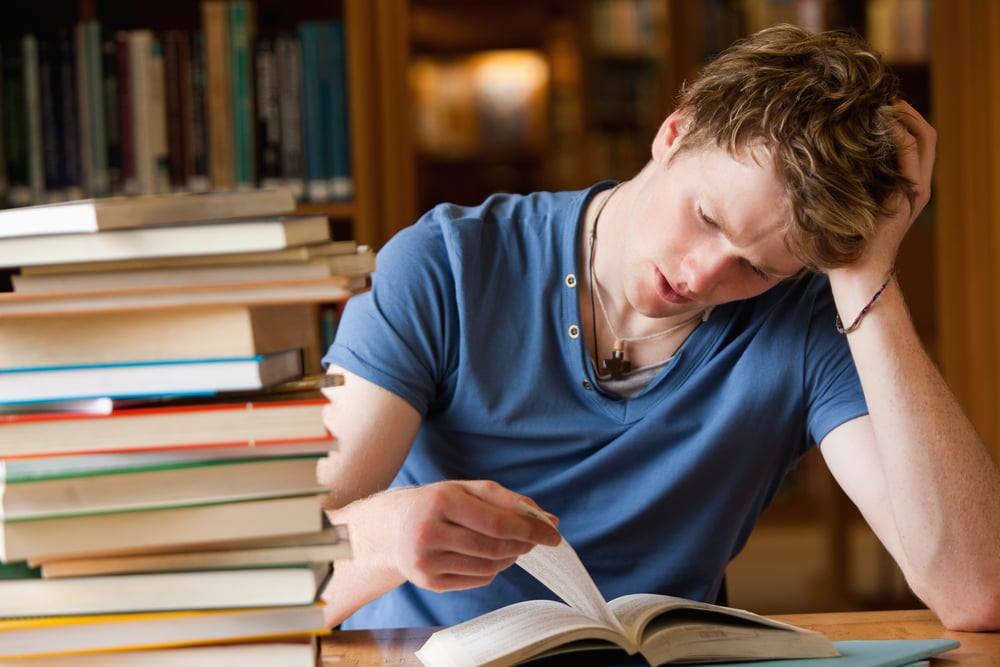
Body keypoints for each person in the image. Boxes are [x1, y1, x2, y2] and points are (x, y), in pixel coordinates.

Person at [318, 24, 1000, 632]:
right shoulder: (448, 267)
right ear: (675, 132)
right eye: (706, 217)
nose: (703, 276)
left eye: (757, 267)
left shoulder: (808, 321)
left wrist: (865, 273)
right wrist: (381, 536)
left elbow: (977, 591)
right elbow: (274, 577)